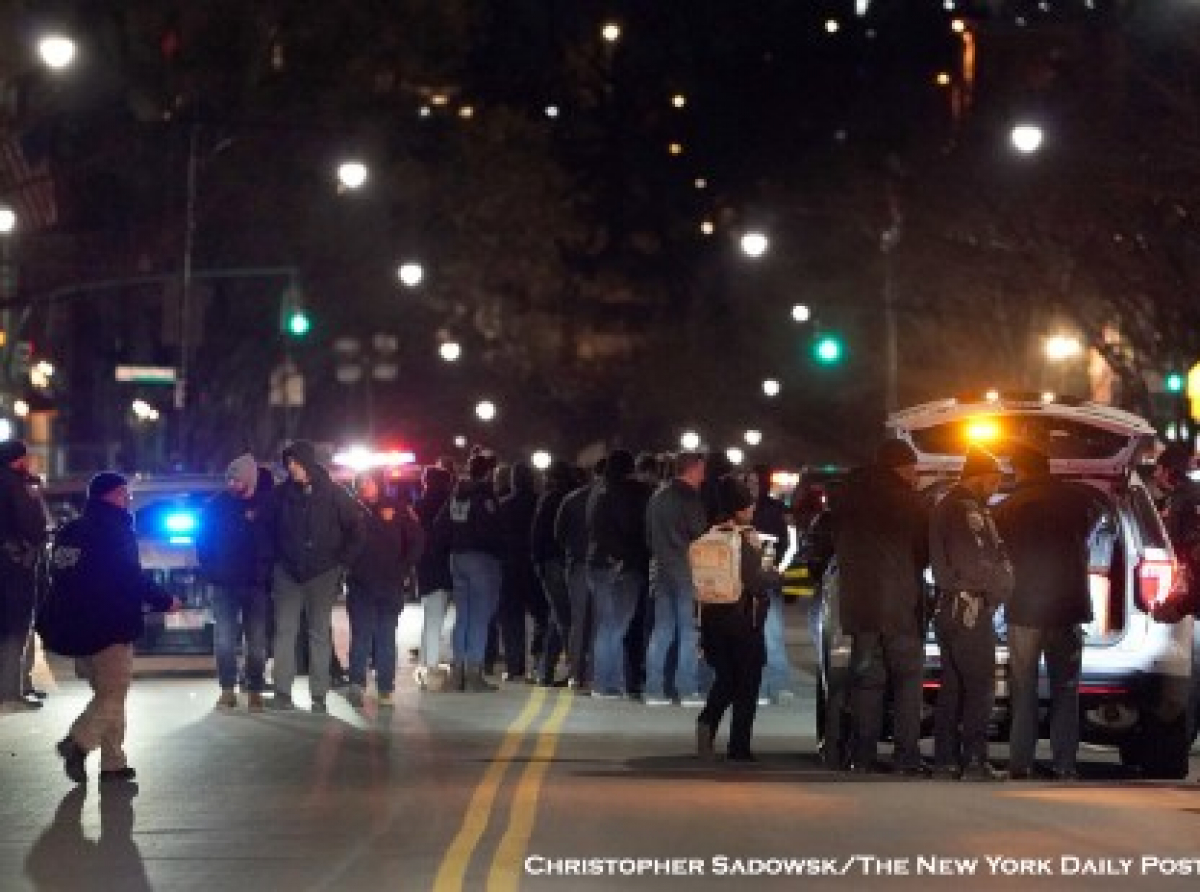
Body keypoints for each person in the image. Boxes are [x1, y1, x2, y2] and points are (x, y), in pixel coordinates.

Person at [41, 473, 182, 783]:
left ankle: (114, 763)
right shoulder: (115, 530)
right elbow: (130, 577)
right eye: (125, 494)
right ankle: (76, 743)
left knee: (108, 693)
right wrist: (164, 600)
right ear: (114, 495)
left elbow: (57, 575)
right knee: (112, 696)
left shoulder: (70, 531)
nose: (129, 499)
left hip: (76, 626)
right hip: (110, 624)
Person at [993, 443, 1097, 781]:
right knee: (1065, 689)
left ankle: (1020, 763)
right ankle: (1065, 764)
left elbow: (998, 552)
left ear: (1021, 471)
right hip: (1067, 607)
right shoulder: (1079, 501)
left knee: (1023, 688)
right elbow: (1092, 531)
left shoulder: (1008, 507)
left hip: (1024, 608)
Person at [833, 439, 929, 776]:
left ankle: (862, 755)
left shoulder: (846, 496)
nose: (916, 476)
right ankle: (906, 756)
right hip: (900, 606)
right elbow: (923, 553)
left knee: (866, 683)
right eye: (913, 470)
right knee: (906, 681)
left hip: (860, 608)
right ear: (901, 468)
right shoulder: (910, 502)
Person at [261, 440, 365, 713]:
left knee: (319, 632)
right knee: (285, 632)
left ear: (307, 462)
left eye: (295, 463)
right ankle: (282, 692)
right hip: (287, 572)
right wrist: (275, 561)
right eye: (288, 464)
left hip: (323, 573)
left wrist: (342, 563)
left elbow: (356, 530)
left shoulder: (334, 494)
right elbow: (266, 530)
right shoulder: (280, 495)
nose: (291, 469)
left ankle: (319, 695)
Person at [929, 446, 1013, 782]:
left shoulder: (945, 505)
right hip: (970, 607)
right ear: (979, 477)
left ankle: (944, 760)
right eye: (993, 481)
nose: (995, 488)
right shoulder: (965, 509)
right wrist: (999, 590)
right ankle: (974, 761)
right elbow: (976, 561)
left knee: (953, 687)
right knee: (979, 686)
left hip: (949, 607)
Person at [696, 475, 777, 762]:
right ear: (741, 509)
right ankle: (738, 746)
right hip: (744, 621)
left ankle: (707, 722)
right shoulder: (743, 540)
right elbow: (757, 583)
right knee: (747, 684)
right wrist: (770, 567)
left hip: (712, 619)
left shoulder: (709, 535)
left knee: (726, 679)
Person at [196, 454, 274, 711]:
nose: (231, 483)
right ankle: (227, 689)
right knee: (225, 639)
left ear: (249, 479)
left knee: (257, 642)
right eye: (228, 478)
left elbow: (273, 543)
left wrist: (265, 573)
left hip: (255, 584)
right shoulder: (216, 506)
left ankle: (254, 690)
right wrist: (211, 572)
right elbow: (203, 542)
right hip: (224, 584)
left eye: (236, 478)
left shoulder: (265, 506)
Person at [345, 474, 423, 707]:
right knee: (361, 635)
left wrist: (404, 567)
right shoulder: (350, 510)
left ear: (377, 483)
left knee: (386, 636)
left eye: (367, 481)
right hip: (361, 584)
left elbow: (417, 538)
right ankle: (356, 685)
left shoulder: (397, 508)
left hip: (390, 583)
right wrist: (347, 565)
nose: (363, 487)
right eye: (358, 484)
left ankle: (385, 688)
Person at [433, 451, 504, 692]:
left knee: (463, 615)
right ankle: (474, 672)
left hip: (457, 558)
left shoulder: (456, 496)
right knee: (480, 617)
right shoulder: (485, 497)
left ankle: (457, 672)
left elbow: (439, 526)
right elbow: (494, 530)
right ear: (488, 473)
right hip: (481, 560)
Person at [586, 450, 653, 699]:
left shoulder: (598, 492)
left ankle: (607, 680)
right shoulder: (631, 494)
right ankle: (607, 683)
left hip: (598, 564)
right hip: (623, 566)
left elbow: (595, 528)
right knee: (616, 626)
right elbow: (635, 528)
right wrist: (625, 557)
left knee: (607, 625)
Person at [644, 451, 707, 706]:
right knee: (688, 632)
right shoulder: (689, 498)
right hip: (685, 569)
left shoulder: (657, 497)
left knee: (662, 631)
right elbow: (699, 532)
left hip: (661, 568)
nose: (704, 476)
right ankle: (687, 688)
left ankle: (654, 689)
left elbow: (647, 535)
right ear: (691, 470)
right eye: (701, 470)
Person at [0, 439, 49, 713]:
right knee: (15, 629)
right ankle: (10, 693)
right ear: (18, 459)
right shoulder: (17, 485)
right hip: (14, 565)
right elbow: (33, 527)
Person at [746, 463, 796, 705]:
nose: (752, 488)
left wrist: (779, 571)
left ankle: (779, 683)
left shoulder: (775, 511)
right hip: (745, 582)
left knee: (772, 633)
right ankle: (757, 686)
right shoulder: (739, 509)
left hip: (768, 582)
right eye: (748, 483)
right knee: (750, 635)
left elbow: (789, 545)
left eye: (756, 483)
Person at [555, 461, 601, 691]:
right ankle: (592, 674)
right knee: (597, 622)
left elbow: (559, 533)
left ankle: (575, 673)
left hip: (577, 566)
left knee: (578, 621)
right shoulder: (606, 499)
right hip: (602, 566)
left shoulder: (571, 499)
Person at [531, 460, 576, 686]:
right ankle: (567, 669)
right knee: (562, 617)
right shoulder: (571, 497)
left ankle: (549, 670)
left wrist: (537, 562)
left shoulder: (549, 500)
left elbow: (538, 534)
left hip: (552, 562)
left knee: (559, 617)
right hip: (565, 561)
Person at [497, 462, 543, 682]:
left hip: (508, 565)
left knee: (511, 618)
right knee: (540, 615)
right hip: (533, 565)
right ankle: (538, 663)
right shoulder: (538, 503)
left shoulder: (503, 505)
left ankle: (515, 666)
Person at [414, 465, 455, 690]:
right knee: (450, 617)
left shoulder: (419, 506)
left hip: (427, 566)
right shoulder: (451, 504)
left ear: (426, 482)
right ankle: (432, 663)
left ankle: (428, 664)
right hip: (450, 564)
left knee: (432, 617)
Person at [1153, 443, 1200, 619]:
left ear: (1168, 471)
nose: (1155, 474)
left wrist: (1179, 609)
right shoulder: (1188, 494)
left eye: (1158, 469)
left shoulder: (1180, 499)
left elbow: (1172, 543)